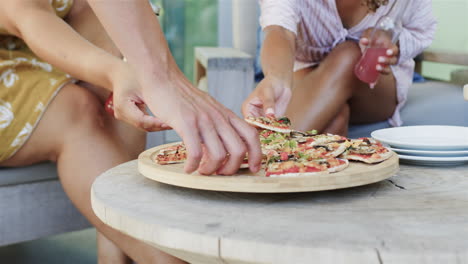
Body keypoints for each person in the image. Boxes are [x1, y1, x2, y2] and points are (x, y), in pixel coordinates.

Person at [0, 0, 261, 263]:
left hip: (36, 48)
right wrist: (122, 74)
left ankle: (114, 253)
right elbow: (27, 15)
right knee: (76, 109)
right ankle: (162, 258)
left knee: (124, 41)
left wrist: (153, 77)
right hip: (18, 50)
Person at [242, 0, 437, 136]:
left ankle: (266, 156)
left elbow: (422, 30)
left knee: (348, 56)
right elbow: (280, 29)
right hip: (308, 76)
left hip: (375, 87)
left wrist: (393, 42)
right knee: (335, 119)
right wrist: (276, 78)